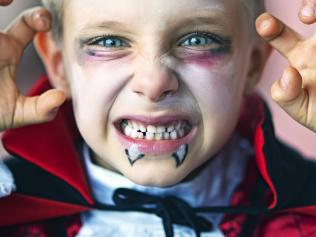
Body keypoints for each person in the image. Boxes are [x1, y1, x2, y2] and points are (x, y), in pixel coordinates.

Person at [1, 0, 316, 236]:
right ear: (58, 65)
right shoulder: (11, 211)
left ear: (253, 64)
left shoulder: (304, 209)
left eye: (197, 39)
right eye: (109, 42)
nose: (153, 83)